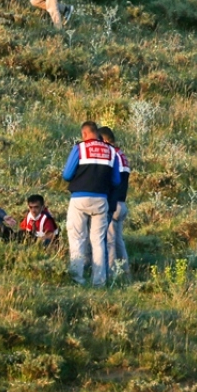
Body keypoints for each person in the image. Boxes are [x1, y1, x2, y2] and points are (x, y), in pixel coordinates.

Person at [61, 121, 120, 286]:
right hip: (101, 199)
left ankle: (77, 278)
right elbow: (116, 180)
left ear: (85, 134)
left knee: (77, 239)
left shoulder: (80, 148)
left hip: (79, 198)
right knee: (98, 241)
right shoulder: (111, 151)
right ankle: (99, 282)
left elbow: (66, 175)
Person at [98, 126, 130, 276]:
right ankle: (125, 273)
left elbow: (113, 181)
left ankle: (110, 274)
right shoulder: (122, 155)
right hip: (122, 204)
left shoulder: (111, 155)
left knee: (110, 241)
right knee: (118, 241)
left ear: (104, 139)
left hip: (113, 203)